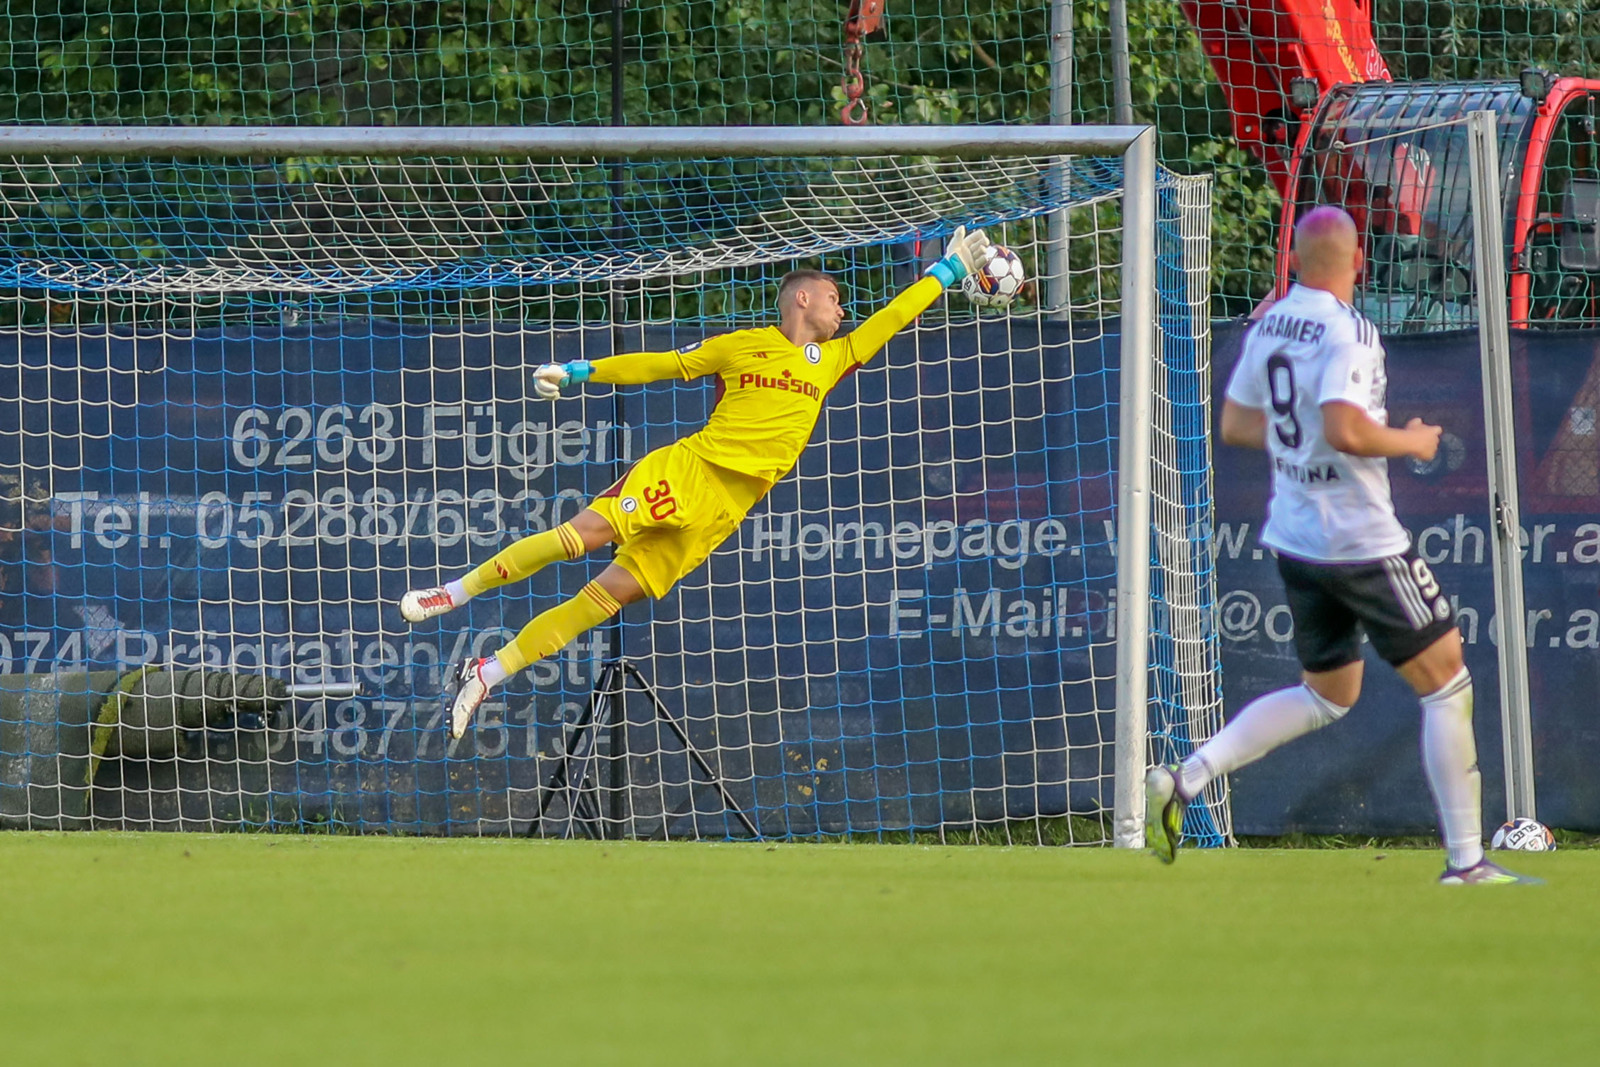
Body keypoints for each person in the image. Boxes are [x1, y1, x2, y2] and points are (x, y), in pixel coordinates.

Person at [400, 227, 995, 739]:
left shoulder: (833, 358)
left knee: (598, 602)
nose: (843, 311)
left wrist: (945, 270)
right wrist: (584, 370)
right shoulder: (743, 347)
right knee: (576, 537)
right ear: (803, 298)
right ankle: (449, 594)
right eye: (835, 299)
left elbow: (891, 319)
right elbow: (660, 364)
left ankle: (485, 674)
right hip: (688, 473)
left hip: (722, 511)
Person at [1145, 205, 1538, 886]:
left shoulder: (1270, 321)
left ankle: (1186, 778)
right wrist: (1412, 441)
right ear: (1359, 263)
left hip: (1296, 538)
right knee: (1448, 680)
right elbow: (1349, 429)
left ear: (1294, 259)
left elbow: (1237, 424)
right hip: (1359, 535)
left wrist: (1303, 448)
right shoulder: (1349, 331)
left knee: (1328, 694)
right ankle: (1467, 862)